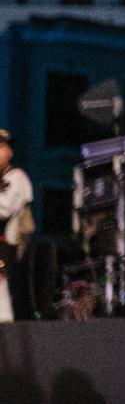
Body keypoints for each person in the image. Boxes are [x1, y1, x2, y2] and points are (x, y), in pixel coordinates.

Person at [0, 128, 31, 324]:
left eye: (1, 148)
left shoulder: (16, 177)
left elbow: (4, 209)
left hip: (6, 249)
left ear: (9, 152)